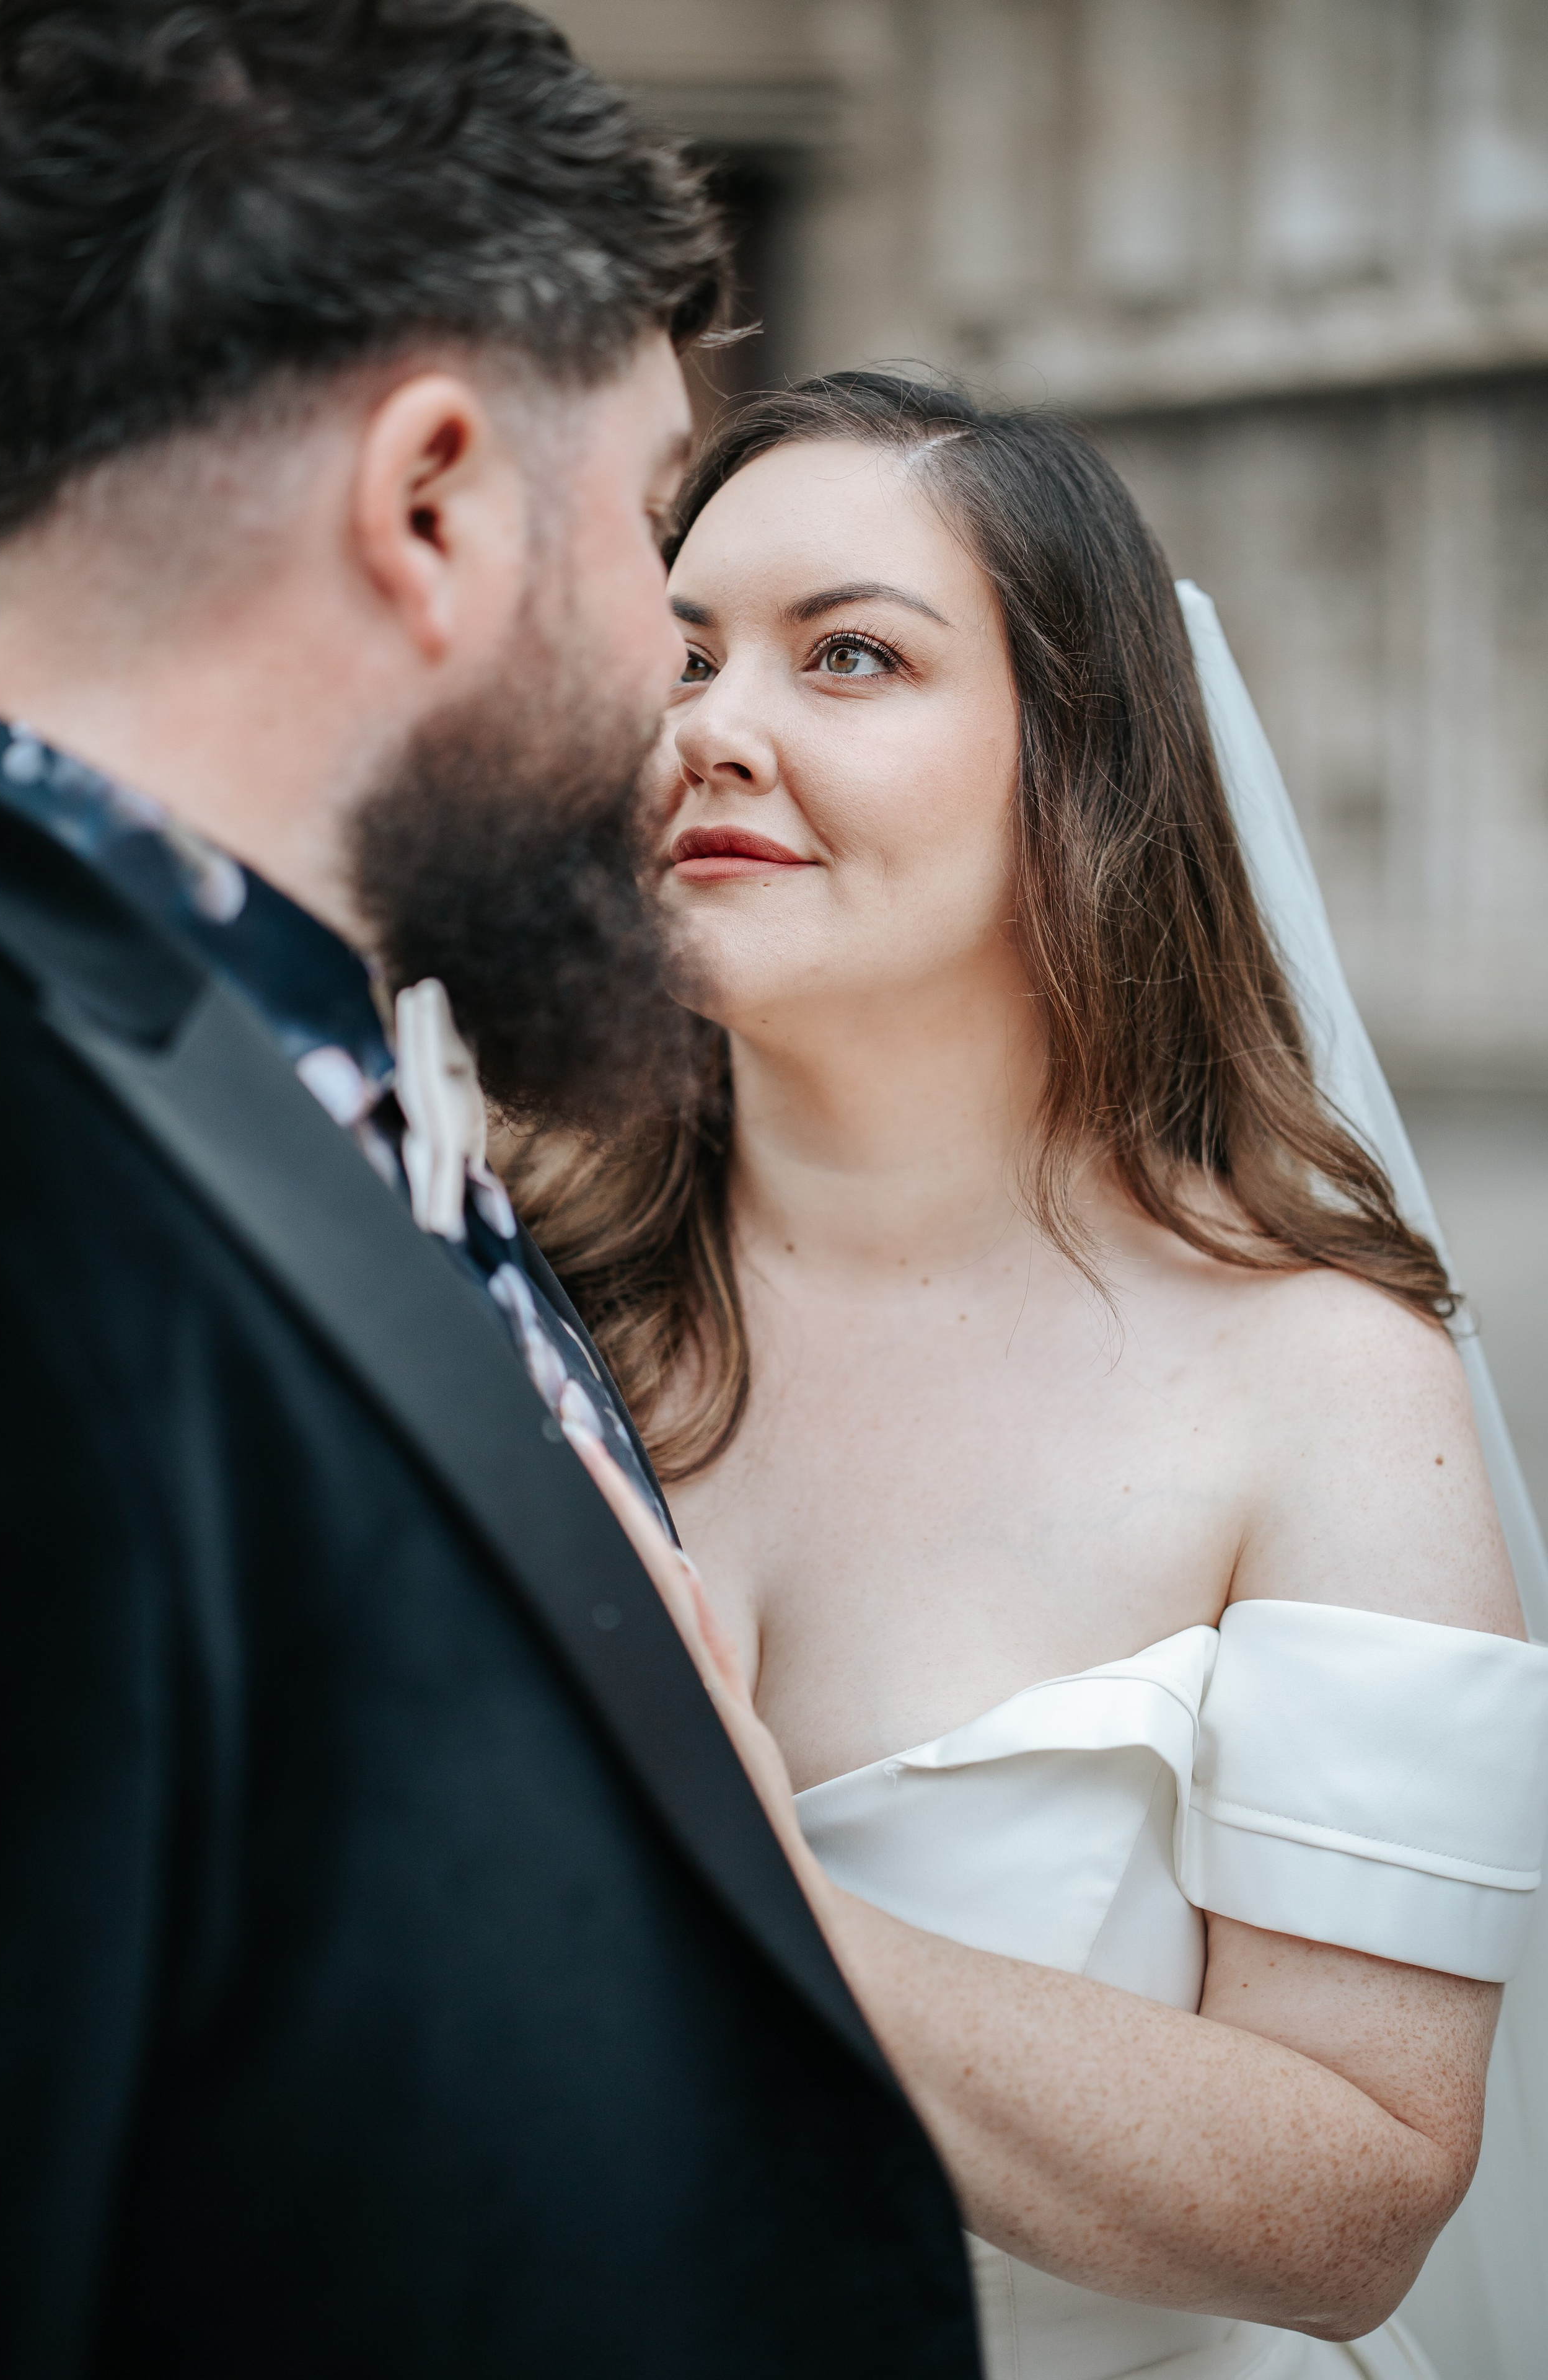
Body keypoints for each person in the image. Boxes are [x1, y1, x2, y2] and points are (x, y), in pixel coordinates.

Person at [0, 16, 984, 2377]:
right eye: (647, 533)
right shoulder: (13, 1193)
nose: (674, 676)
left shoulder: (280, 1057)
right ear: (433, 504)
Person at [515, 373, 1548, 2380]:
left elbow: (1359, 2205)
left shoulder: (1319, 1382)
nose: (711, 725)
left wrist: (745, 1880)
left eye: (851, 657)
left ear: (1072, 767)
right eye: (678, 651)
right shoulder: (496, 1290)